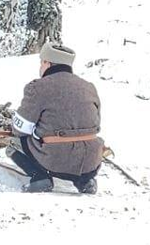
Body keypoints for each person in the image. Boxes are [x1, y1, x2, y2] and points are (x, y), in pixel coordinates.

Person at [7, 42, 103, 194]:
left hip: (55, 160)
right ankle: (84, 181)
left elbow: (21, 128)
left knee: (12, 145)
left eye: (41, 62)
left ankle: (39, 177)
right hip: (91, 161)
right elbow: (96, 123)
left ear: (47, 63)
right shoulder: (89, 87)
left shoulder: (38, 87)